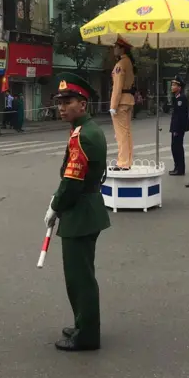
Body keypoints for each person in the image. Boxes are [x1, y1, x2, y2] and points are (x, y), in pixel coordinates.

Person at [44, 73, 110, 352]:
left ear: (83, 104)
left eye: (68, 101)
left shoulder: (83, 136)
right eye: (59, 102)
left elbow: (72, 182)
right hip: (86, 208)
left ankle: (87, 335)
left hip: (80, 211)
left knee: (79, 278)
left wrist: (55, 206)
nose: (61, 107)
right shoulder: (86, 130)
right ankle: (83, 323)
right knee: (81, 274)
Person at [109, 37, 136, 170]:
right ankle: (128, 161)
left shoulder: (120, 65)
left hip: (121, 101)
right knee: (127, 132)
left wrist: (113, 106)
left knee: (121, 134)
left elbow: (117, 86)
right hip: (128, 99)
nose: (114, 49)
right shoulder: (129, 62)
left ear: (122, 48)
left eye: (116, 47)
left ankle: (123, 162)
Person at [168, 76, 189, 176]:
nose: (172, 87)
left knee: (177, 148)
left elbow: (180, 116)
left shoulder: (181, 98)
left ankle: (180, 169)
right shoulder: (176, 97)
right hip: (175, 126)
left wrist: (176, 129)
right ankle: (177, 167)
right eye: (172, 85)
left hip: (178, 127)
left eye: (174, 85)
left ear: (179, 87)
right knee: (174, 147)